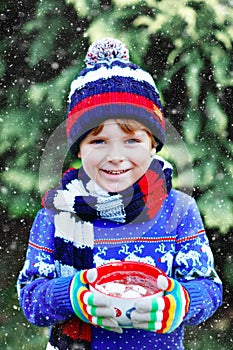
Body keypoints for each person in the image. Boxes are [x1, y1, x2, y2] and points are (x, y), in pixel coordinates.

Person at [17, 38, 222, 350]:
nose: (115, 155)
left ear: (153, 144)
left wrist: (180, 302)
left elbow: (208, 288)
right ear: (79, 149)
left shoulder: (179, 210)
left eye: (132, 141)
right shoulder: (56, 214)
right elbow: (31, 298)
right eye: (98, 142)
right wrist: (71, 295)